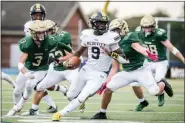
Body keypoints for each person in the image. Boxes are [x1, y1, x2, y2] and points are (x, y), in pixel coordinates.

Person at [51, 12, 130, 121]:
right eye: (99, 23)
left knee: (83, 95)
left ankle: (60, 114)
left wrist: (111, 54)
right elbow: (78, 53)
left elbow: (125, 60)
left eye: (103, 23)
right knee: (70, 95)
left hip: (99, 74)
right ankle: (80, 102)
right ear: (93, 24)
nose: (102, 25)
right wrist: (67, 61)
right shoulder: (87, 35)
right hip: (86, 69)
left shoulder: (111, 38)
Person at [91, 18, 173, 119]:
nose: (114, 33)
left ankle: (162, 83)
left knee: (155, 92)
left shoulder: (130, 36)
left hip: (141, 70)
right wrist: (105, 83)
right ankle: (102, 113)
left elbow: (138, 47)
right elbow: (114, 68)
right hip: (127, 72)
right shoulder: (112, 44)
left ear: (123, 29)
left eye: (116, 30)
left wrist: (147, 53)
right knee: (108, 90)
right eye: (112, 31)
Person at [6, 20, 72, 116]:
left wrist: (72, 54)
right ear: (32, 33)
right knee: (17, 91)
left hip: (42, 68)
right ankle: (17, 106)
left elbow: (66, 49)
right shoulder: (28, 43)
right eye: (39, 32)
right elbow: (20, 62)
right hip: (28, 68)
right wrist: (25, 73)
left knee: (31, 85)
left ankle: (18, 107)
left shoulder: (50, 40)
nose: (41, 35)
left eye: (43, 32)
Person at [21, 19, 81, 116]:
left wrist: (58, 59)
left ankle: (80, 100)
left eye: (46, 31)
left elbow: (71, 55)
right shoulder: (41, 41)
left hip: (68, 69)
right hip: (55, 70)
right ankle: (34, 110)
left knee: (72, 94)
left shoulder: (61, 38)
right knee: (40, 87)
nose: (43, 33)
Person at [130, 15, 185, 111]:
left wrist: (183, 59)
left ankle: (162, 91)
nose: (147, 29)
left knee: (158, 83)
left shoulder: (159, 34)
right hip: (148, 61)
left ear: (154, 26)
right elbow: (134, 45)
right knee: (134, 83)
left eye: (149, 27)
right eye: (145, 27)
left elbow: (172, 48)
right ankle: (142, 102)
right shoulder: (138, 32)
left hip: (161, 62)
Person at [24, 3, 65, 113]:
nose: (37, 17)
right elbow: (32, 41)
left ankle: (33, 108)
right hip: (34, 57)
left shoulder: (48, 24)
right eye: (35, 15)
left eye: (39, 15)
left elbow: (54, 39)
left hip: (45, 57)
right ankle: (61, 92)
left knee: (37, 84)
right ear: (31, 15)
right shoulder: (28, 25)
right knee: (39, 84)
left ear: (43, 15)